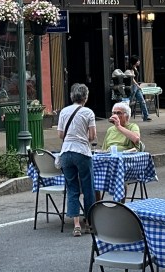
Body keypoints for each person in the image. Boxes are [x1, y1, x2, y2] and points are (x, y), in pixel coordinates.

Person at [57, 82, 97, 237]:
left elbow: (60, 135)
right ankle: (89, 222)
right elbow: (92, 136)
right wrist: (84, 137)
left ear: (72, 96)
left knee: (72, 188)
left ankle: (76, 225)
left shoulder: (64, 111)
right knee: (88, 188)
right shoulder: (88, 113)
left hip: (66, 152)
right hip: (82, 152)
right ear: (85, 97)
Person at [127, 57, 151, 122]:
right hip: (133, 86)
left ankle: (146, 116)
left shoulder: (135, 68)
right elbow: (132, 79)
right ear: (135, 61)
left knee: (142, 101)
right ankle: (122, 114)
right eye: (138, 61)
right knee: (129, 101)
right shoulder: (131, 69)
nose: (139, 62)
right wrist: (137, 85)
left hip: (136, 87)